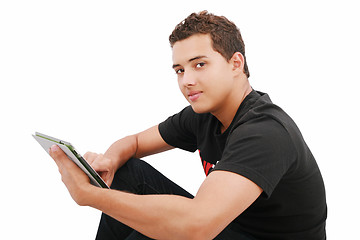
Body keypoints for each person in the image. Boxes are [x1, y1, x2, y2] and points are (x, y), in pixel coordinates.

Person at [49, 11, 327, 240]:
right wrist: (109, 161)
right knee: (128, 173)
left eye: (200, 65)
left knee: (164, 231)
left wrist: (91, 195)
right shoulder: (205, 114)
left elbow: (197, 226)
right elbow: (134, 143)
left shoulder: (265, 131)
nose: (187, 80)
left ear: (235, 63)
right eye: (180, 70)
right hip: (230, 229)